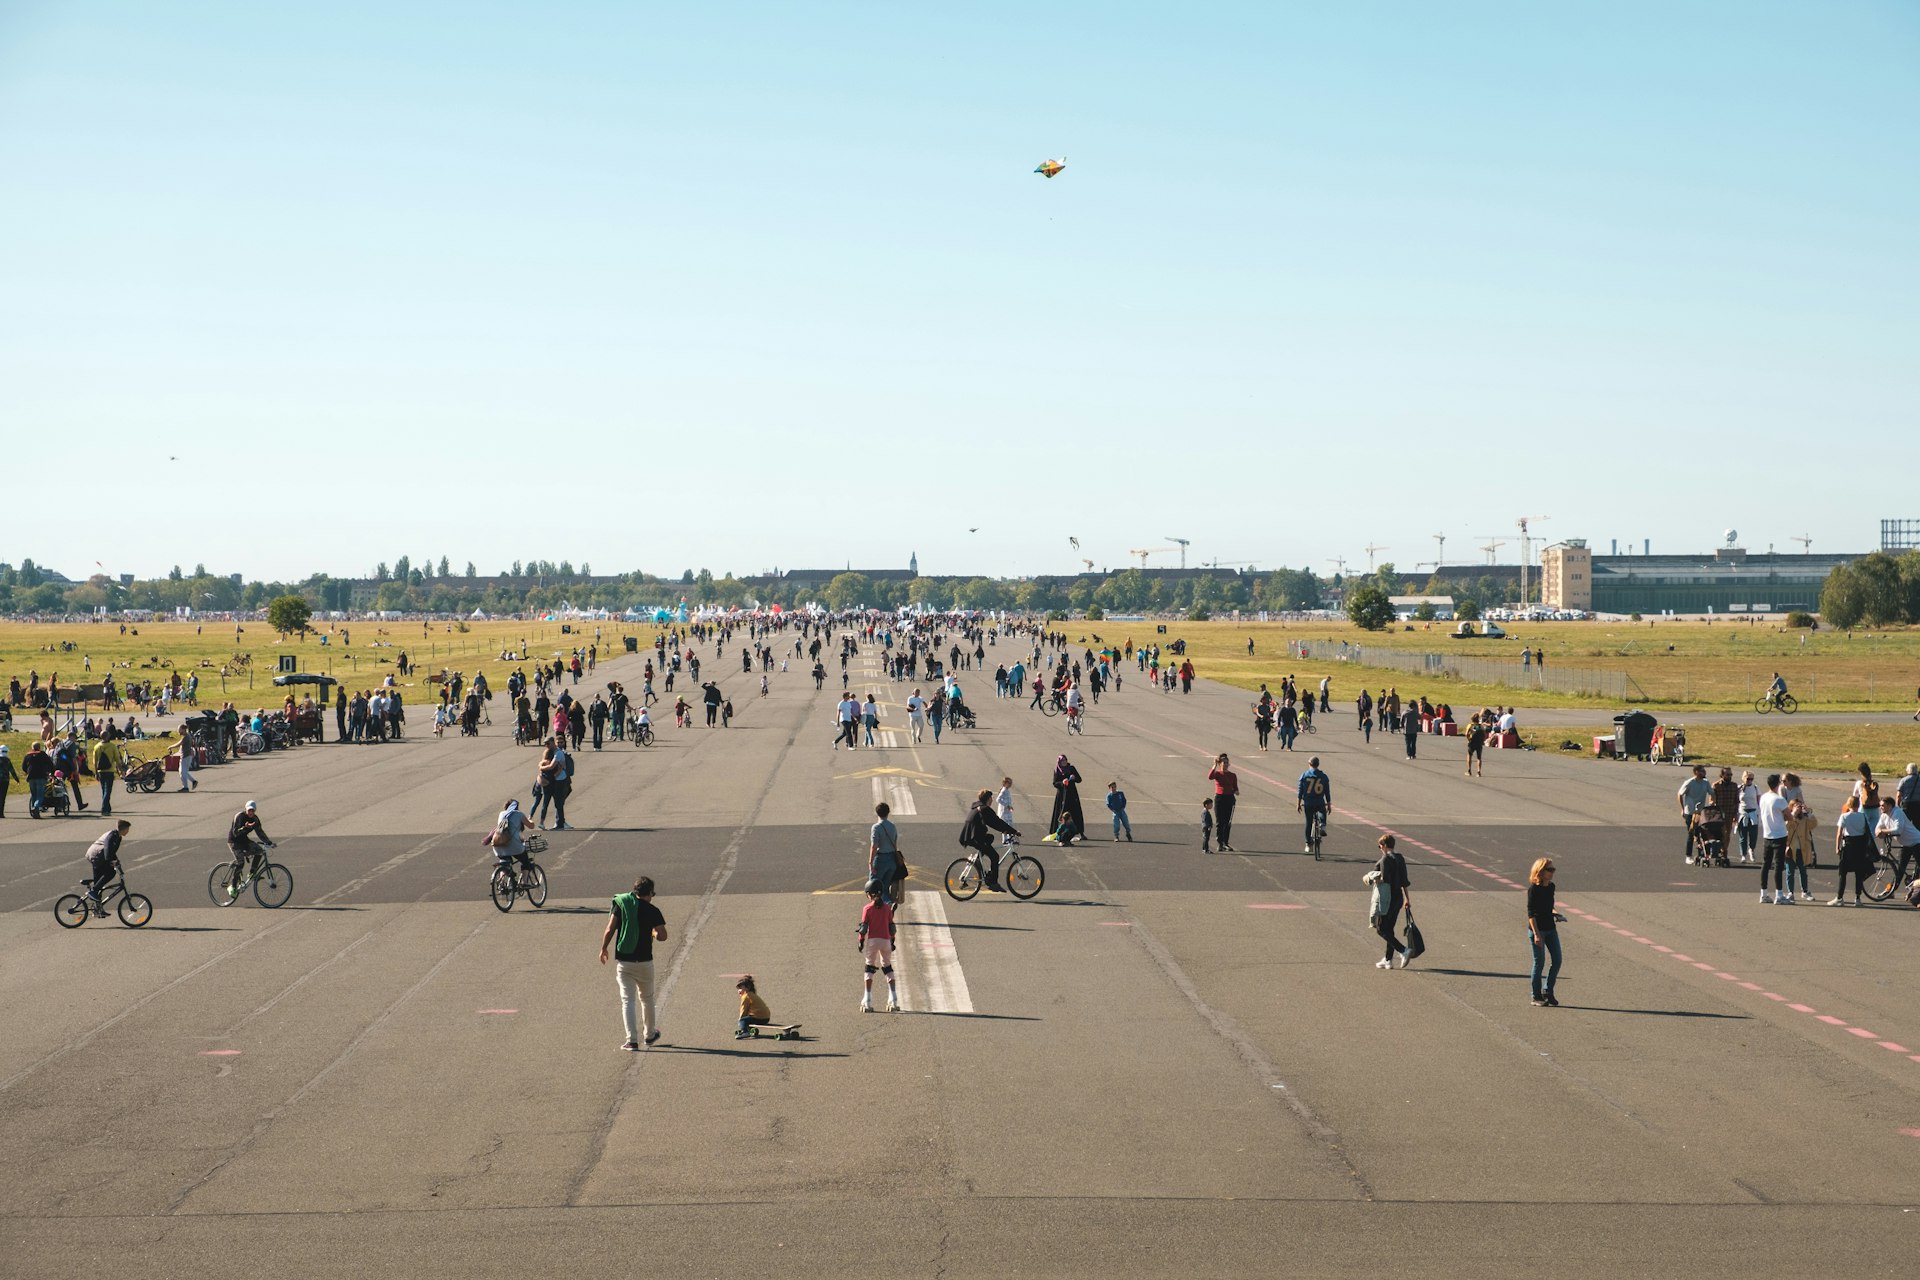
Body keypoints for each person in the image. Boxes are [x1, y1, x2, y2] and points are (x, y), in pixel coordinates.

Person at [599, 876, 669, 1050]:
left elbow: (610, 929)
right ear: (650, 893)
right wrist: (652, 932)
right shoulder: (653, 910)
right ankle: (650, 1034)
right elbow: (663, 936)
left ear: (635, 891)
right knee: (647, 999)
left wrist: (604, 948)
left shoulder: (621, 904)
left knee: (627, 1001)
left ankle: (631, 1040)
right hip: (645, 962)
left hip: (624, 961)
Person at [960, 788, 1020, 891]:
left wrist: (1005, 830)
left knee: (989, 838)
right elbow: (996, 822)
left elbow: (994, 823)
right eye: (991, 798)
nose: (992, 800)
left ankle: (977, 860)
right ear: (988, 799)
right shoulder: (985, 809)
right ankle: (993, 883)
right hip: (975, 836)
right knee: (995, 856)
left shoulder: (977, 807)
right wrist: (1013, 831)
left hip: (969, 835)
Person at [1526, 857, 1565, 1007]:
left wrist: (1556, 914)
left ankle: (1548, 991)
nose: (1552, 872)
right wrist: (1536, 934)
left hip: (1551, 929)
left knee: (1557, 960)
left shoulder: (1551, 887)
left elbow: (1549, 906)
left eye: (1553, 869)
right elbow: (1531, 914)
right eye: (1550, 869)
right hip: (1538, 930)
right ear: (1540, 871)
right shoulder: (1533, 889)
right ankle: (1536, 996)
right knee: (1539, 963)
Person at [856, 886, 899, 1012]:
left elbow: (863, 927)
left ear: (870, 894)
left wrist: (861, 941)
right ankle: (893, 998)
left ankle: (867, 999)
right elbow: (892, 927)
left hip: (873, 941)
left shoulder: (867, 908)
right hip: (886, 940)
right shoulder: (887, 908)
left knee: (869, 967)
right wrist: (892, 940)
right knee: (887, 967)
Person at [1373, 834, 1412, 968]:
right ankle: (1388, 959)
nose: (1380, 848)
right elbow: (1404, 881)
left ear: (1384, 845)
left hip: (1387, 899)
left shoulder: (1385, 860)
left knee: (1381, 929)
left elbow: (1385, 881)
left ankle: (1403, 950)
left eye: (1380, 846)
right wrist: (1407, 899)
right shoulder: (1400, 859)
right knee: (1389, 928)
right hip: (1399, 897)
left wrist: (1374, 879)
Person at [1832, 797, 1876, 906]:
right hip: (1860, 846)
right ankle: (1857, 898)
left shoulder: (1844, 816)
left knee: (1843, 873)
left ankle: (1840, 897)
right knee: (1859, 873)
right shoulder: (1862, 816)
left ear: (1849, 804)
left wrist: (1837, 847)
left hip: (1848, 845)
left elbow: (1839, 834)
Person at [224, 801, 276, 892]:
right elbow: (235, 833)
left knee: (260, 851)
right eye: (249, 810)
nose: (251, 812)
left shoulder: (255, 819)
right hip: (234, 842)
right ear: (246, 809)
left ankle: (252, 873)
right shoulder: (239, 816)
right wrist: (246, 827)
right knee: (241, 862)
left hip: (244, 840)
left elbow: (260, 832)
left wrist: (269, 842)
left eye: (252, 810)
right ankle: (233, 886)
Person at [1756, 773, 1791, 905]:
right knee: (1778, 865)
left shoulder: (1764, 797)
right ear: (1778, 784)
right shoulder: (1779, 799)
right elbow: (1789, 816)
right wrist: (1793, 813)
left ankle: (1763, 893)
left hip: (1767, 834)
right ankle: (1779, 894)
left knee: (1766, 864)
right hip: (1779, 834)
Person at [84, 820, 131, 914]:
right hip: (95, 856)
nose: (128, 831)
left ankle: (98, 910)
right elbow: (107, 852)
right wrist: (112, 863)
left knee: (99, 885)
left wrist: (117, 863)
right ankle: (93, 891)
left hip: (99, 857)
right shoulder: (112, 836)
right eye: (128, 829)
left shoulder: (118, 837)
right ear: (124, 829)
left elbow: (112, 853)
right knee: (111, 872)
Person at [1874, 796, 1920, 888]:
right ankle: (1891, 890)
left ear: (1890, 806)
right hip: (1906, 844)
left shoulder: (1897, 813)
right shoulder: (1884, 815)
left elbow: (1898, 830)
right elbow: (1877, 828)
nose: (1880, 807)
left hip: (1916, 842)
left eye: (1883, 805)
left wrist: (1883, 831)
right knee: (1900, 869)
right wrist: (1879, 831)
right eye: (1880, 805)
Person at [870, 801, 906, 907]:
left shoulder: (876, 827)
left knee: (873, 885)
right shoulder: (892, 826)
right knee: (885, 886)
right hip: (892, 860)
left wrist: (870, 862)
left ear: (877, 813)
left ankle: (880, 908)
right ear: (888, 813)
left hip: (881, 859)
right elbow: (895, 843)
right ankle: (889, 903)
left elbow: (874, 846)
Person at [1677, 765, 1712, 863]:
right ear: (1696, 772)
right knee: (1691, 834)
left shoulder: (1706, 782)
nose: (1704, 772)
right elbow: (1680, 794)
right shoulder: (1689, 783)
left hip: (1701, 812)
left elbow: (1711, 793)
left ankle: (1702, 854)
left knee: (1703, 833)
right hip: (1690, 812)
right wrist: (1682, 809)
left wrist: (1712, 802)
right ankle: (1688, 856)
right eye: (1702, 771)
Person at [1049, 756, 1085, 846]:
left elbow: (1079, 779)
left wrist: (1074, 778)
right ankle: (1058, 832)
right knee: (1062, 813)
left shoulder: (1071, 768)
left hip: (1072, 794)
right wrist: (1062, 783)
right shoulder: (1057, 770)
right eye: (1063, 761)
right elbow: (1055, 783)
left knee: (1075, 812)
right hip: (1062, 795)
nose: (1064, 762)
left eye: (1065, 760)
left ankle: (1080, 831)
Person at [1297, 756, 1331, 854]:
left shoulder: (1304, 775)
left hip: (1308, 802)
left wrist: (1298, 803)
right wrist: (1328, 804)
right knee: (1322, 811)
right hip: (1319, 801)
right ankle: (1322, 825)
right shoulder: (1323, 776)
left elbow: (1300, 791)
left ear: (1309, 764)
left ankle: (1308, 844)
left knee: (1308, 822)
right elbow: (1327, 792)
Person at [490, 797, 532, 873]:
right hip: (514, 846)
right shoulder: (519, 814)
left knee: (505, 863)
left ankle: (501, 880)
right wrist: (530, 820)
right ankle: (524, 883)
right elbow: (531, 826)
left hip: (498, 846)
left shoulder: (501, 814)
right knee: (526, 862)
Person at [1207, 754, 1238, 852]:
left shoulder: (1233, 775)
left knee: (1228, 822)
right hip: (1220, 798)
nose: (1225, 764)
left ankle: (1226, 842)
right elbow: (1210, 777)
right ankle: (1220, 843)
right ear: (1220, 764)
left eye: (1227, 763)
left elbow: (1235, 787)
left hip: (1229, 798)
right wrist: (1214, 765)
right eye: (1223, 763)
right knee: (1220, 822)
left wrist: (1236, 791)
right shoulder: (1218, 774)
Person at [91, 734, 123, 817]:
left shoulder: (97, 747)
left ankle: (108, 808)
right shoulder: (112, 746)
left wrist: (96, 772)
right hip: (109, 771)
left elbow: (95, 762)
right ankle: (104, 808)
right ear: (108, 737)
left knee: (104, 790)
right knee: (108, 790)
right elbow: (117, 759)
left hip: (101, 771)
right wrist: (120, 770)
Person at [1736, 770, 1762, 864]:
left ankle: (1752, 850)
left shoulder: (1755, 788)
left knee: (1753, 835)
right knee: (1743, 836)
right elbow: (1736, 802)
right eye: (1748, 779)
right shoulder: (1739, 788)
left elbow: (1759, 802)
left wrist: (1760, 813)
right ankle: (1743, 854)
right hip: (1743, 814)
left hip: (1753, 814)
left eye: (1751, 779)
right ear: (1743, 778)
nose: (1750, 781)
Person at [995, 776, 1016, 847]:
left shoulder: (1007, 790)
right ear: (1005, 783)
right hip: (1004, 812)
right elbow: (998, 799)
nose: (1011, 784)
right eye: (1009, 783)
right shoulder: (1004, 790)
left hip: (1007, 811)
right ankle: (1005, 840)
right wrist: (1007, 805)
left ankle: (1009, 838)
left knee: (1009, 824)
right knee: (1006, 825)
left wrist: (1009, 806)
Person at [0, 744, 18, 818]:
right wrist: (16, 779)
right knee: (2, 797)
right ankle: (1, 813)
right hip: (5, 780)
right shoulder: (7, 760)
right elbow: (12, 770)